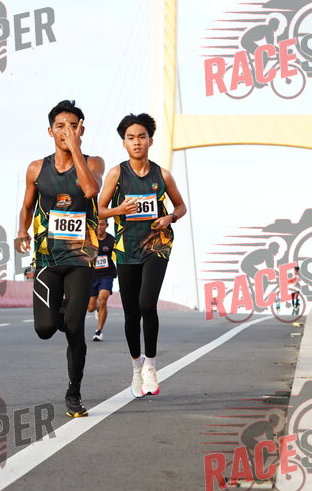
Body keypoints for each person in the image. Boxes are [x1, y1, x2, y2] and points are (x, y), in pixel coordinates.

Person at [14, 100, 104, 418]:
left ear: (82, 129)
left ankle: (74, 393)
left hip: (81, 259)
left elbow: (90, 190)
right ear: (50, 131)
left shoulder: (93, 163)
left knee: (75, 327)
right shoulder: (36, 168)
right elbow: (27, 206)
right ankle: (62, 310)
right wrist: (22, 231)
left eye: (73, 126)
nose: (67, 131)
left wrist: (75, 148)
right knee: (45, 328)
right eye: (61, 126)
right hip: (47, 259)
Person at [98, 113, 187, 398]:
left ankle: (151, 366)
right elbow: (98, 210)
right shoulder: (117, 174)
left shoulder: (162, 175)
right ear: (124, 143)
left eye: (141, 137)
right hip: (126, 249)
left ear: (150, 140)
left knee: (147, 304)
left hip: (157, 246)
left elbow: (181, 206)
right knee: (131, 312)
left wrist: (170, 218)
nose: (136, 142)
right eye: (130, 138)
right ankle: (136, 367)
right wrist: (118, 210)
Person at [88, 218, 116, 342]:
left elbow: (118, 255)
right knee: (90, 308)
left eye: (102, 225)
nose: (99, 227)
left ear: (106, 225)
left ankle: (99, 331)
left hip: (106, 275)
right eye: (98, 224)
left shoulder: (111, 240)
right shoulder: (89, 239)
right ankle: (98, 308)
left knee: (103, 300)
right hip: (92, 275)